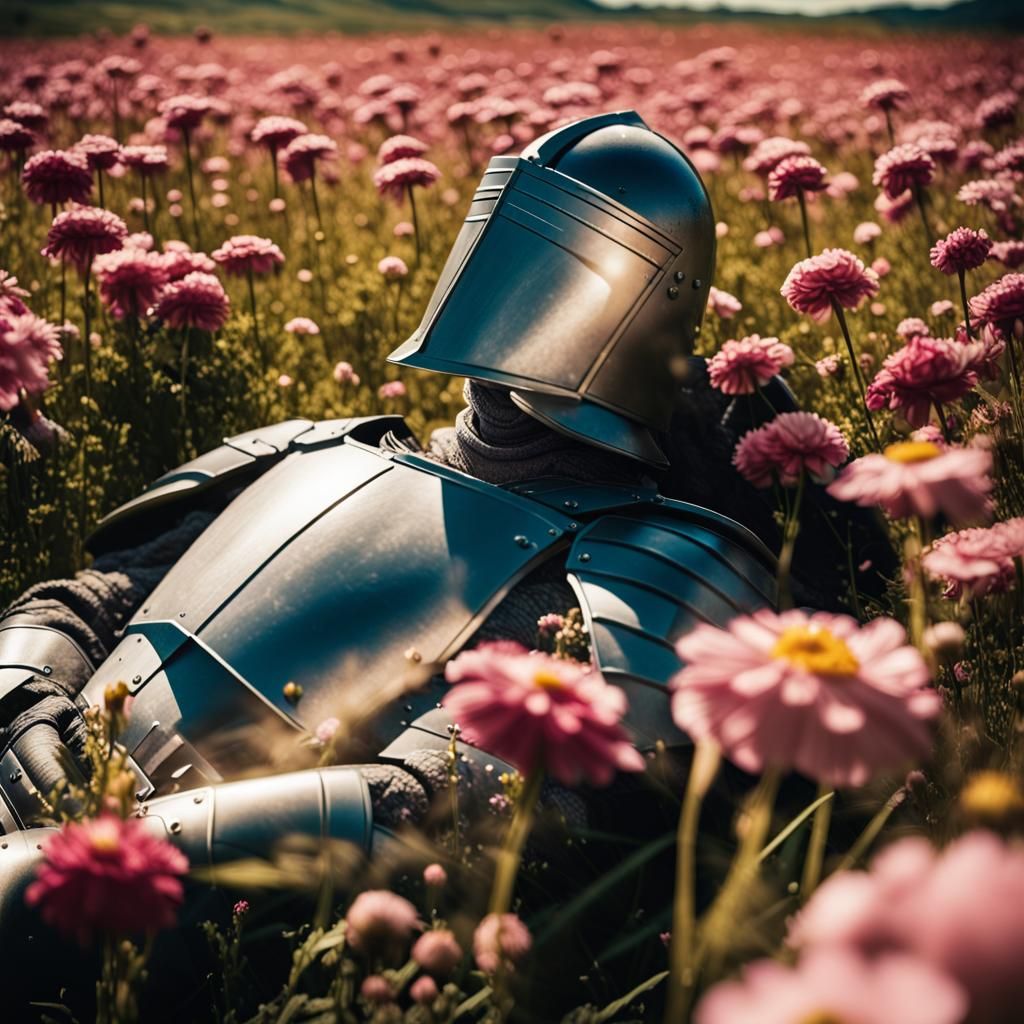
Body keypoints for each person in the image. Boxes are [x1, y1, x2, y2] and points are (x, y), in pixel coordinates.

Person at [0, 111, 891, 1015]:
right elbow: (87, 598)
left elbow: (434, 810)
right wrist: (25, 697)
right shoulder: (314, 450)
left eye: (550, 246)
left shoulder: (632, 567)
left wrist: (107, 849)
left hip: (173, 928)